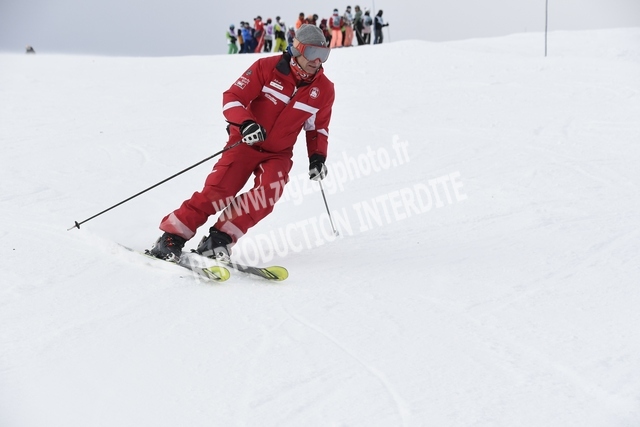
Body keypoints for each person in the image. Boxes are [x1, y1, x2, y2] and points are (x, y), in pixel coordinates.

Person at [148, 24, 335, 262]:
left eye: (324, 55)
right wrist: (246, 123)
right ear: (297, 49)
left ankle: (219, 240)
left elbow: (318, 128)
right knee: (219, 191)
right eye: (312, 53)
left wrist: (317, 157)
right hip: (246, 142)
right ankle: (171, 237)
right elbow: (232, 97)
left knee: (267, 195)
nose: (317, 61)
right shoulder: (266, 68)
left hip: (278, 153)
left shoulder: (324, 89)